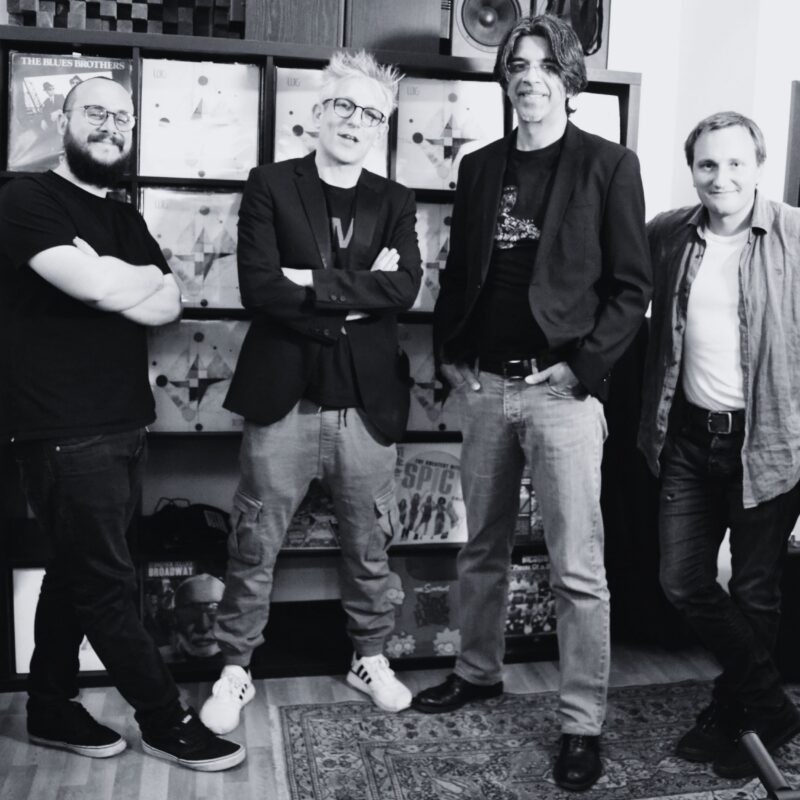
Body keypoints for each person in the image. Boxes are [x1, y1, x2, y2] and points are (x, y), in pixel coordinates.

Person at [412, 14, 651, 792]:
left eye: (546, 65)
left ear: (569, 78)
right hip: (484, 388)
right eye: (517, 64)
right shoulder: (480, 167)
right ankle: (477, 673)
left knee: (577, 567)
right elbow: (459, 273)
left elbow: (632, 290)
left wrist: (582, 371)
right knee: (479, 548)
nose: (530, 77)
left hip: (562, 396)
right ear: (505, 77)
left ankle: (581, 723)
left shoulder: (609, 165)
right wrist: (449, 355)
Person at [0, 76, 245, 772]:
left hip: (125, 425)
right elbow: (104, 287)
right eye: (95, 112)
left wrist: (111, 275)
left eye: (122, 116)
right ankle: (166, 721)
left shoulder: (123, 216)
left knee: (73, 573)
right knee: (106, 587)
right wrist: (116, 281)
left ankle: (49, 705)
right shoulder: (25, 199)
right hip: (61, 429)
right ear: (64, 120)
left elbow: (168, 302)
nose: (110, 125)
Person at [199, 50, 422, 735]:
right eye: (345, 106)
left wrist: (309, 283)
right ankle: (235, 667)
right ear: (319, 112)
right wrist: (355, 296)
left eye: (372, 114)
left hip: (366, 405)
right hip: (283, 402)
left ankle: (370, 657)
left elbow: (403, 288)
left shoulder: (395, 199)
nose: (356, 121)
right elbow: (259, 287)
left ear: (382, 127)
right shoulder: (270, 184)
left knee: (370, 545)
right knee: (253, 543)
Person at [638, 111, 800, 779]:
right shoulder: (668, 234)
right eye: (708, 164)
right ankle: (771, 703)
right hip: (688, 437)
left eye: (735, 163)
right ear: (692, 169)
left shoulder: (794, 235)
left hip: (769, 443)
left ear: (758, 166)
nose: (721, 177)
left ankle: (735, 711)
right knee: (681, 580)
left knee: (756, 590)